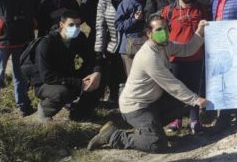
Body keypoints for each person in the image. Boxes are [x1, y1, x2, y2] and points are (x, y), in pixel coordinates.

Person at [88, 17, 209, 153]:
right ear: (149, 33)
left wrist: (199, 32)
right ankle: (113, 136)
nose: (164, 32)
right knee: (157, 144)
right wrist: (195, 99)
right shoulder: (149, 56)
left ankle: (148, 130)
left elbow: (188, 49)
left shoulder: (165, 45)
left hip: (153, 101)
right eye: (159, 29)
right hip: (136, 107)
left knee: (186, 102)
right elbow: (171, 84)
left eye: (165, 28)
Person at [31, 8, 102, 122]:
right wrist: (79, 83)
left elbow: (91, 57)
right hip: (45, 82)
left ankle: (80, 113)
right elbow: (47, 76)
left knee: (98, 78)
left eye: (78, 25)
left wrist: (96, 72)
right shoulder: (47, 43)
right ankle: (45, 110)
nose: (75, 28)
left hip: (67, 75)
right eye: (71, 25)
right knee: (61, 92)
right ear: (62, 24)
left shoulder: (79, 38)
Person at [162, 0, 207, 134]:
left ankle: (195, 120)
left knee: (195, 88)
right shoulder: (168, 11)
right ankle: (177, 119)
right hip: (175, 57)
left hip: (196, 56)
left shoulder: (200, 9)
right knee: (177, 89)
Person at [95, 0, 130, 103]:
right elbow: (100, 25)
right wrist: (99, 49)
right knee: (113, 74)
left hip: (129, 44)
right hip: (113, 44)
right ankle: (113, 97)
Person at [116, 0, 150, 75]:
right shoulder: (125, 3)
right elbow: (118, 25)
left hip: (148, 45)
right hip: (130, 48)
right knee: (134, 80)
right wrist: (134, 20)